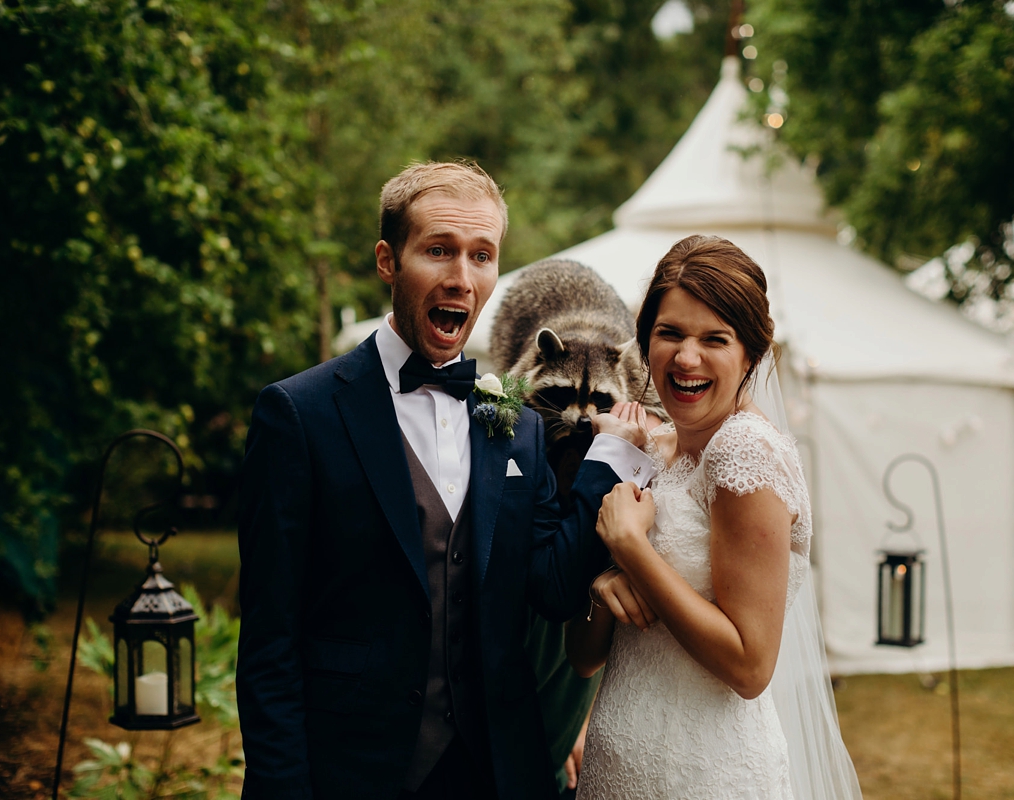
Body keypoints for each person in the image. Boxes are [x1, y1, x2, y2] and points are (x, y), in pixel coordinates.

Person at [236, 161, 654, 800]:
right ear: (387, 261)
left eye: (481, 255)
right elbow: (270, 641)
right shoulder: (300, 415)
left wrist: (609, 463)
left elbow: (552, 586)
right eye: (438, 251)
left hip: (493, 774)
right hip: (349, 773)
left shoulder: (517, 424)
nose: (462, 277)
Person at [566, 235, 862, 800]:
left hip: (707, 774)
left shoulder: (744, 452)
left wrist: (633, 551)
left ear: (751, 353)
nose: (686, 358)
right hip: (616, 767)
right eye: (670, 333)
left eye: (714, 339)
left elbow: (751, 667)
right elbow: (583, 661)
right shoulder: (652, 449)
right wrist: (602, 589)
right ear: (645, 341)